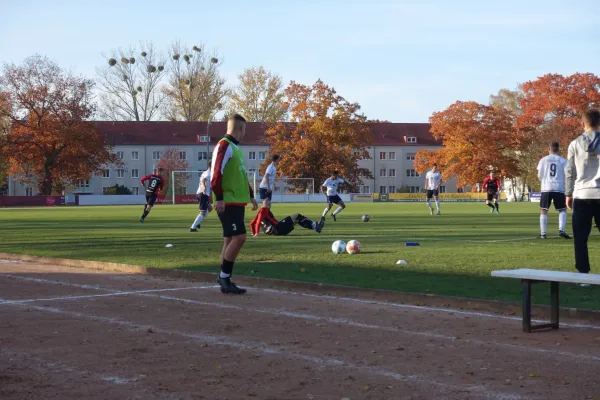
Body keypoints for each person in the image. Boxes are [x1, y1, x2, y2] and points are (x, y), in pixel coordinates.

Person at [211, 114, 258, 294]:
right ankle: (224, 277)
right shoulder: (224, 145)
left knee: (230, 239)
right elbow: (216, 173)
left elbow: (241, 175)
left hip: (237, 201)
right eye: (244, 129)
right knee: (240, 238)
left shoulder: (236, 149)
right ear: (241, 128)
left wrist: (251, 195)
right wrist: (220, 197)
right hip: (228, 201)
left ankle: (225, 278)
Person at [565, 109, 600, 274]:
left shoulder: (574, 144)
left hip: (581, 194)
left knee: (580, 238)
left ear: (582, 123)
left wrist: (568, 194)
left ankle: (583, 274)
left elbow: (570, 171)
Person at [537, 142, 571, 239]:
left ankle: (543, 234)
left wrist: (544, 181)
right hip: (559, 188)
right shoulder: (563, 161)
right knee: (562, 210)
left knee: (544, 210)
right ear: (558, 149)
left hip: (546, 188)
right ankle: (561, 230)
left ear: (549, 149)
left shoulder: (543, 160)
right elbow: (567, 175)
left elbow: (540, 175)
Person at [250, 199, 324, 236]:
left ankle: (315, 226)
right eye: (270, 205)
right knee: (296, 215)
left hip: (275, 231)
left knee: (296, 220)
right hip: (277, 229)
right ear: (268, 205)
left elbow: (252, 223)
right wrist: (256, 233)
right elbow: (258, 221)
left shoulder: (260, 212)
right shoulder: (264, 210)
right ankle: (315, 226)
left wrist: (253, 233)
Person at [190, 162, 213, 232]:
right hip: (203, 194)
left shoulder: (205, 172)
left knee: (210, 208)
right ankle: (193, 227)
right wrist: (204, 188)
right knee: (202, 212)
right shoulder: (208, 173)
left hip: (202, 193)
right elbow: (203, 181)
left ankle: (198, 222)